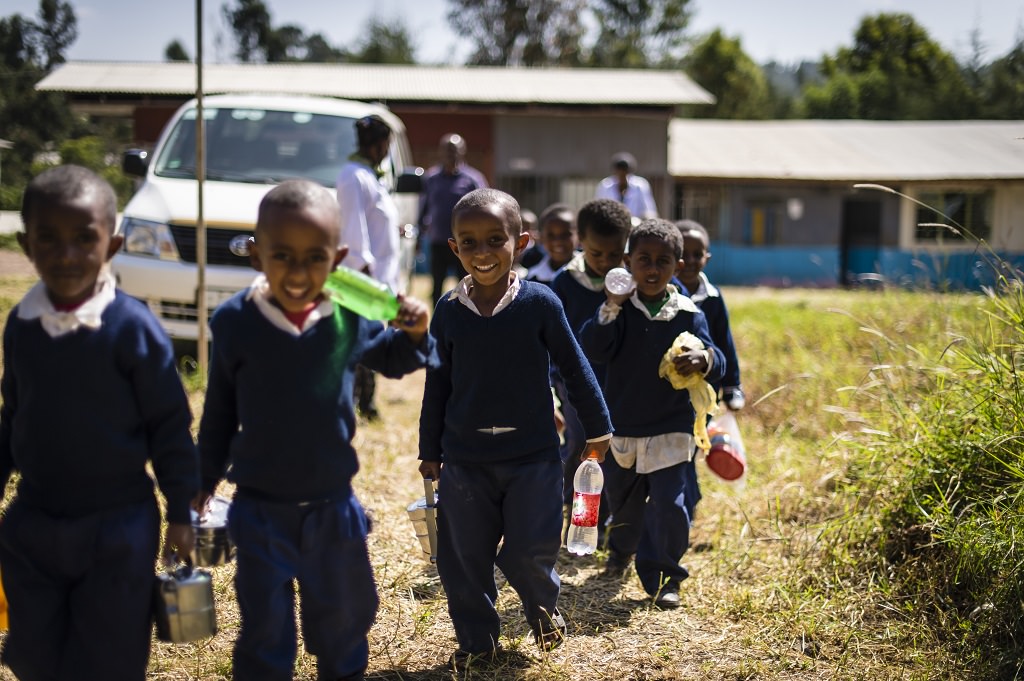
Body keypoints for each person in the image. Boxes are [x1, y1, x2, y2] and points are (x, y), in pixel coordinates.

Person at [197, 179, 436, 681]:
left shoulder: (348, 316)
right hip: (260, 507)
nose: (300, 273)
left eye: (315, 257)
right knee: (265, 628)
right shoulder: (236, 322)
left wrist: (415, 332)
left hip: (333, 506)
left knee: (344, 620)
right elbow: (218, 412)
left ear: (339, 257)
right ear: (258, 254)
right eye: (283, 256)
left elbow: (392, 360)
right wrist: (199, 486)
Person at [0, 165, 199, 680]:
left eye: (83, 240)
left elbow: (170, 426)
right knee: (33, 654)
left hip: (118, 525)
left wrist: (180, 509)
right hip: (35, 520)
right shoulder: (21, 324)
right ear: (27, 243)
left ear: (110, 246)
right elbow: (12, 417)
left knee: (111, 654)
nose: (67, 255)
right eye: (49, 239)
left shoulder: (133, 329)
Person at [417, 188, 612, 671]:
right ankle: (478, 640)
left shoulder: (540, 304)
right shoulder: (447, 311)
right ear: (453, 248)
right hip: (464, 459)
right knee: (463, 559)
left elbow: (574, 366)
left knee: (530, 550)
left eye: (494, 240)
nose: (482, 253)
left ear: (520, 242)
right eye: (469, 243)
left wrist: (599, 429)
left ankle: (543, 612)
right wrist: (429, 448)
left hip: (533, 457)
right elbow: (436, 384)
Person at [579, 218, 725, 609]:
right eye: (644, 260)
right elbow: (594, 346)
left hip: (671, 428)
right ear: (628, 263)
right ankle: (621, 549)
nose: (653, 269)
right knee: (623, 502)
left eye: (664, 261)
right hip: (624, 426)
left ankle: (664, 577)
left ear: (678, 266)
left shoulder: (688, 312)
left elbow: (718, 356)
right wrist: (611, 304)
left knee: (669, 505)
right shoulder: (619, 311)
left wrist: (705, 358)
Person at [550, 198, 633, 540]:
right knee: (583, 453)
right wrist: (556, 382)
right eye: (597, 253)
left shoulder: (629, 284)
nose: (605, 262)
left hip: (617, 385)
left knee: (616, 455)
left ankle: (610, 521)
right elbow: (552, 337)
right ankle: (582, 521)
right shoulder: (565, 283)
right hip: (577, 389)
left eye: (614, 255)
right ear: (581, 240)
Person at [675, 219, 744, 520]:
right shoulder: (661, 292)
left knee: (689, 448)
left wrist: (732, 388)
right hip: (668, 389)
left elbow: (725, 345)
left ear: (707, 258)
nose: (689, 261)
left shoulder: (713, 299)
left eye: (697, 254)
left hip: (702, 392)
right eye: (683, 253)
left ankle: (686, 504)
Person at [336, 114, 402, 420]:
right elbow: (353, 230)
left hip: (381, 279)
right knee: (358, 343)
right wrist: (365, 276)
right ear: (377, 145)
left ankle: (366, 403)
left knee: (370, 341)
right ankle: (353, 403)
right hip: (364, 277)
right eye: (387, 144)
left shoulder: (370, 176)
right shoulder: (353, 176)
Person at [418, 132, 488, 304]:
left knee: (467, 285)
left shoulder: (473, 179)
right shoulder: (431, 178)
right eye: (447, 150)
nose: (451, 154)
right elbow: (423, 209)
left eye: (455, 150)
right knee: (436, 287)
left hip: (464, 244)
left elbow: (485, 208)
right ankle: (437, 322)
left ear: (462, 152)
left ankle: (467, 318)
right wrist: (419, 236)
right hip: (439, 241)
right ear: (440, 152)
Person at [525, 202, 578, 285]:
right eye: (551, 235)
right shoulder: (532, 278)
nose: (558, 241)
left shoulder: (590, 272)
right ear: (541, 238)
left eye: (565, 235)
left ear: (578, 235)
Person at [595, 151, 658, 219]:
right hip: (611, 224)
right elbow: (599, 210)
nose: (622, 176)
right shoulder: (605, 185)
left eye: (625, 172)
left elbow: (649, 211)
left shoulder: (640, 185)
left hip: (635, 224)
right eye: (619, 172)